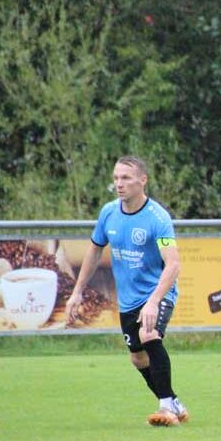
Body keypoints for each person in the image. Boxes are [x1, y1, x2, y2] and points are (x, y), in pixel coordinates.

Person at [65, 156, 187, 427]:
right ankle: (173, 401)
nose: (119, 184)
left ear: (142, 181)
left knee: (149, 333)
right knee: (137, 358)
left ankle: (166, 406)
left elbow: (173, 263)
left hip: (158, 293)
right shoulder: (109, 212)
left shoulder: (158, 218)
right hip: (129, 300)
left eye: (126, 178)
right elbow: (95, 250)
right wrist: (77, 292)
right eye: (116, 178)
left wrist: (154, 301)